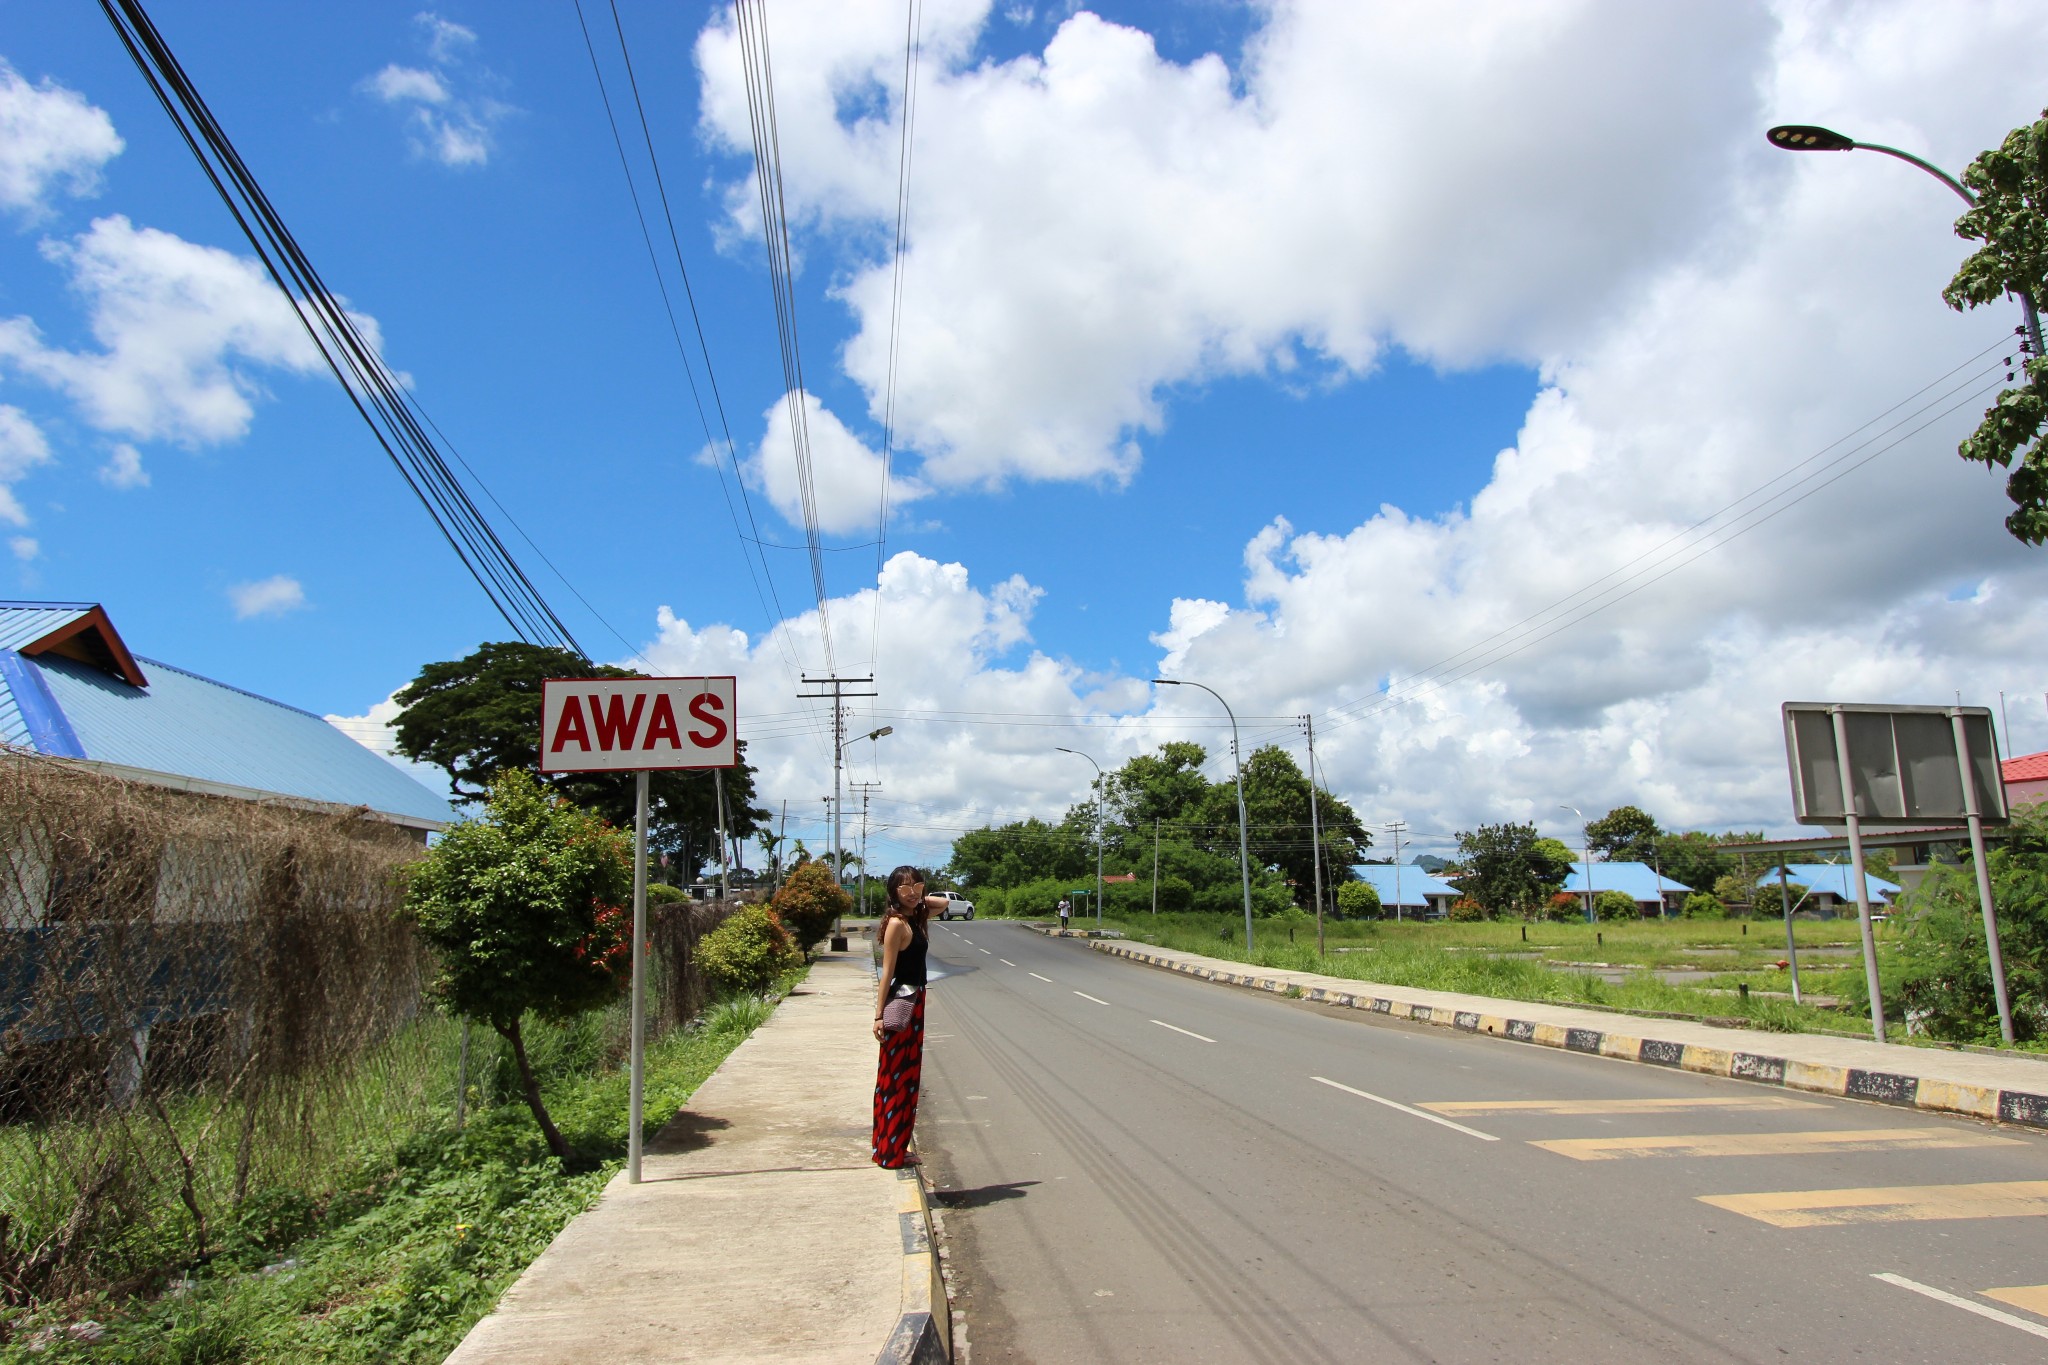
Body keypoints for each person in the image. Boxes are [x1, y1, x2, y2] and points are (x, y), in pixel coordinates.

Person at [872, 865, 944, 1169]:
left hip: (916, 1002)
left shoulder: (914, 917)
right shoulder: (897, 925)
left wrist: (917, 899)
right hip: (903, 1003)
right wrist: (878, 1016)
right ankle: (890, 1152)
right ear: (892, 893)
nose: (912, 891)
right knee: (896, 1080)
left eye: (917, 885)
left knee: (906, 1079)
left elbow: (945, 904)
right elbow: (887, 972)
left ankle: (892, 1148)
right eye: (904, 888)